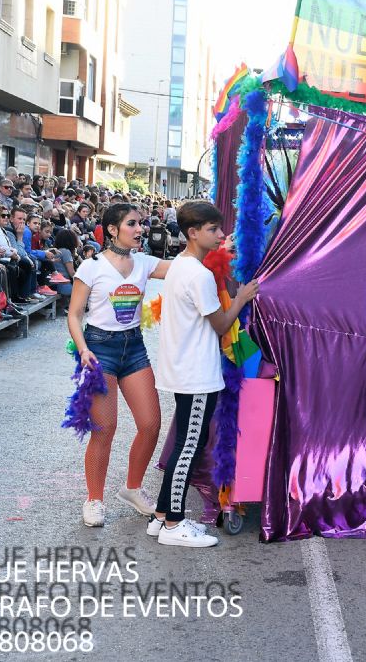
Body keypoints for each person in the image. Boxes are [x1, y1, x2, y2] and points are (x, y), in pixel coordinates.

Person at [150, 202, 259, 548]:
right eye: (213, 229)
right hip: (195, 373)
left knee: (186, 442)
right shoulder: (198, 275)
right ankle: (174, 525)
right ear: (193, 233)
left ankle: (162, 516)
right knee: (189, 448)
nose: (221, 235)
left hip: (184, 369)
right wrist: (241, 298)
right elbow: (220, 325)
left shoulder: (183, 266)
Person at [68, 204, 172, 529]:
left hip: (134, 347)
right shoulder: (91, 267)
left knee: (151, 423)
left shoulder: (144, 263)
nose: (140, 229)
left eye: (141, 223)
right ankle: (94, 499)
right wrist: (83, 350)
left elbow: (184, 269)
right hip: (100, 349)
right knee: (105, 428)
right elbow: (73, 315)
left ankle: (132, 488)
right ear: (113, 229)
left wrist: (212, 250)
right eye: (132, 224)